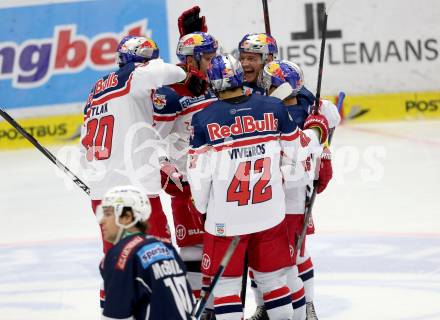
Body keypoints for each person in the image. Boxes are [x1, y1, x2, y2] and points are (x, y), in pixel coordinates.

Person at [187, 54, 330, 320]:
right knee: (274, 283)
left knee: (227, 288)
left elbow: (198, 175)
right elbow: (298, 157)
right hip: (269, 214)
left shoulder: (203, 119)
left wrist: (205, 208)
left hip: (226, 220)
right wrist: (316, 132)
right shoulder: (273, 107)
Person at [79, 35, 186, 253]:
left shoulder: (95, 92)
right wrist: (185, 74)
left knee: (116, 266)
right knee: (160, 259)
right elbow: (174, 73)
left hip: (102, 194)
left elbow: (84, 148)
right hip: (136, 193)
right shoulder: (134, 78)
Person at [259, 60, 341, 320]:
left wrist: (322, 137)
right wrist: (321, 119)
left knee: (294, 258)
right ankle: (289, 306)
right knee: (280, 258)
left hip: (290, 198)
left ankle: (306, 307)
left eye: (268, 82)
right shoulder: (303, 109)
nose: (263, 86)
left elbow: (313, 142)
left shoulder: (285, 115)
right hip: (276, 195)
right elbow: (331, 116)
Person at [152, 31, 218, 304]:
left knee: (223, 249)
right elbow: (152, 138)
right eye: (210, 58)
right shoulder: (169, 92)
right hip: (188, 182)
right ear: (193, 58)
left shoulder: (218, 81)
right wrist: (165, 166)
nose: (215, 63)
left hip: (222, 179)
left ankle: (220, 307)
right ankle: (199, 308)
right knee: (193, 249)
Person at [98, 185, 195, 319]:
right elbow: (190, 304)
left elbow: (116, 316)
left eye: (108, 214)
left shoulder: (120, 256)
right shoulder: (167, 248)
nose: (102, 221)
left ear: (126, 217)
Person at [238, 33, 315, 107]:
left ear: (268, 59)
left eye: (251, 59)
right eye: (241, 59)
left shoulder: (284, 83)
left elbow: (308, 107)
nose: (244, 64)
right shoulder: (236, 88)